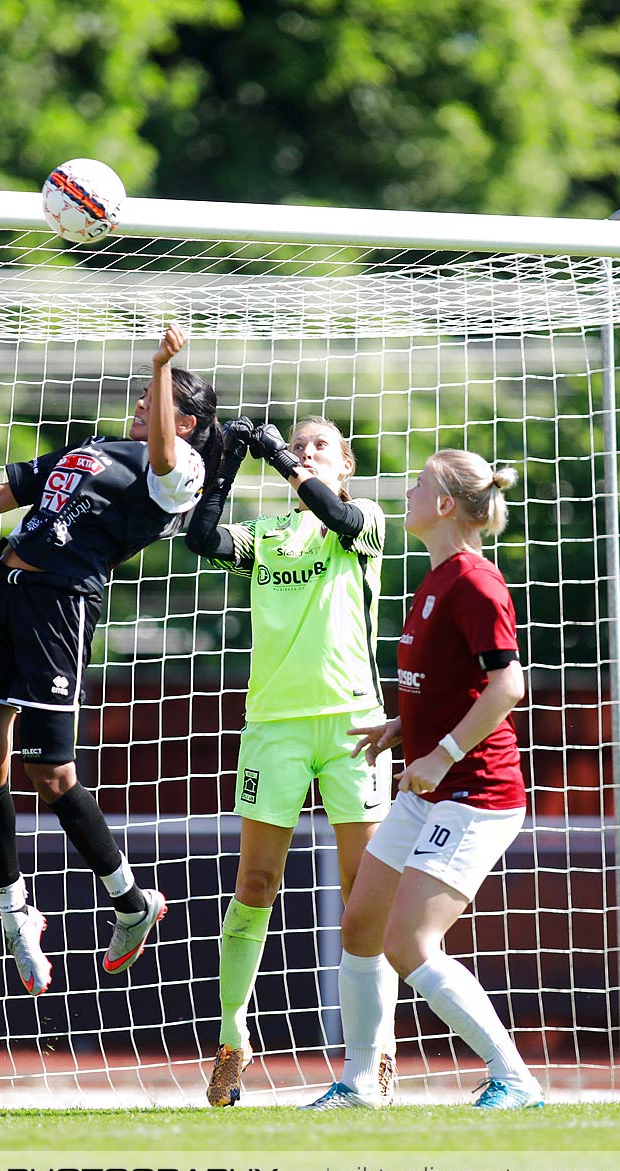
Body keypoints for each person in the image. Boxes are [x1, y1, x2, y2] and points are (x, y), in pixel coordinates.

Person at [0, 324, 222, 995]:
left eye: (160, 399)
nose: (141, 404)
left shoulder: (181, 472)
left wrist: (161, 364)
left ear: (184, 420)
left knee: (51, 769)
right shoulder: (90, 449)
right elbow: (4, 495)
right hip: (0, 595)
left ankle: (130, 903)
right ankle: (15, 914)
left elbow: (159, 449)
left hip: (57, 605)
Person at [317, 449, 544, 1110]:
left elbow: (508, 685)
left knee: (410, 942)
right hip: (431, 790)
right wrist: (400, 729)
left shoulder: (475, 581)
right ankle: (362, 1085)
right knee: (361, 927)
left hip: (477, 795)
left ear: (445, 505)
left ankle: (516, 1079)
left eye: (418, 485)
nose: (408, 492)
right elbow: (451, 686)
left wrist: (441, 752)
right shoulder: (436, 578)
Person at [185, 416, 394, 1107]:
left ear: (346, 464)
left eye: (320, 446)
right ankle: (232, 1039)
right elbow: (201, 538)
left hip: (352, 727)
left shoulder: (361, 519)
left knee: (363, 895)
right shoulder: (269, 537)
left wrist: (277, 455)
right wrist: (222, 464)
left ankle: (375, 1055)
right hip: (272, 727)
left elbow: (332, 512)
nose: (307, 451)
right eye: (300, 443)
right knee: (256, 880)